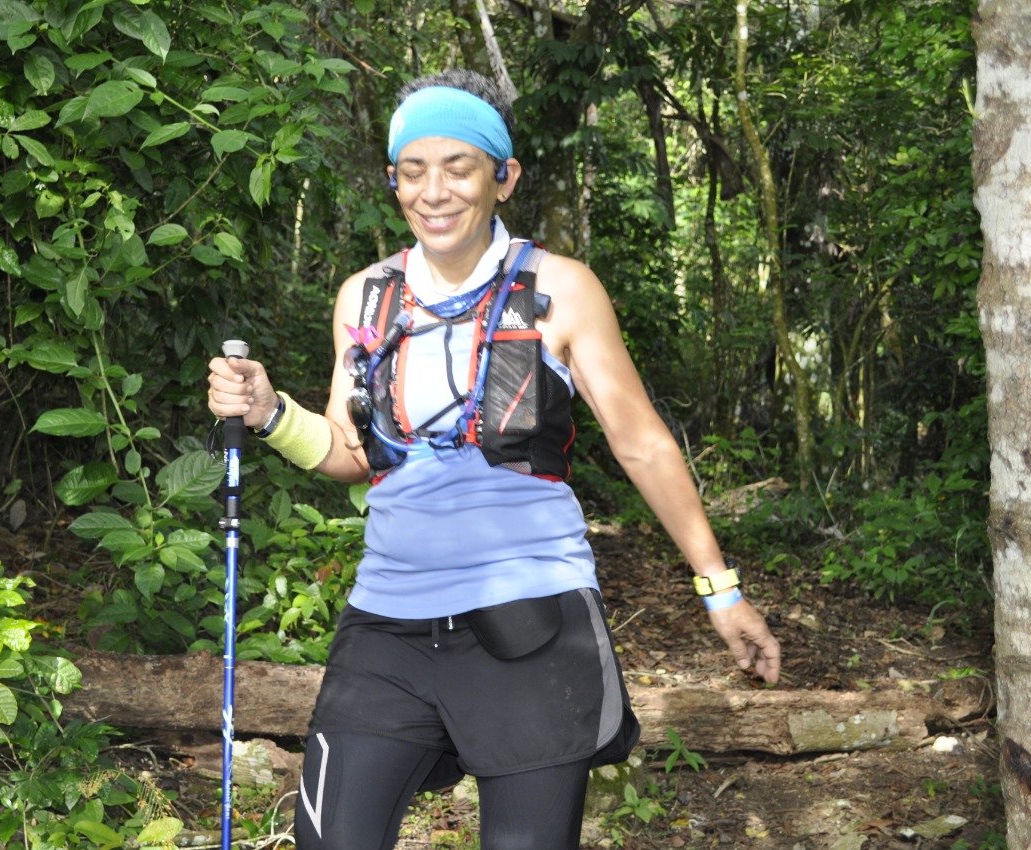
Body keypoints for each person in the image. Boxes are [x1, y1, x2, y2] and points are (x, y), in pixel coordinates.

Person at [207, 68, 781, 850]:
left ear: (503, 177)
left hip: (531, 624)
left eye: (459, 167)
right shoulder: (366, 297)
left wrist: (720, 590)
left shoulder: (562, 289)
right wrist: (270, 412)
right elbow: (351, 453)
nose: (434, 192)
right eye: (413, 171)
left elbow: (641, 442)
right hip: (388, 625)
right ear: (393, 182)